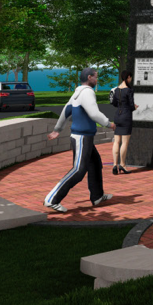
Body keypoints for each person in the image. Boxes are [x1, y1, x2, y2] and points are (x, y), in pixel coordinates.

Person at [44, 67, 116, 212]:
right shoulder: (88, 93)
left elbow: (66, 111)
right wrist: (109, 124)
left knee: (95, 164)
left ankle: (97, 196)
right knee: (79, 169)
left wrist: (57, 130)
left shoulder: (77, 93)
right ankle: (52, 199)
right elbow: (94, 113)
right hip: (82, 137)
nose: (97, 80)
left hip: (85, 136)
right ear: (89, 77)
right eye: (96, 77)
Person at [110, 71, 139, 175]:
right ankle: (122, 164)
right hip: (126, 116)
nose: (131, 79)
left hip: (117, 115)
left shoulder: (116, 90)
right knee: (125, 142)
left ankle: (114, 165)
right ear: (128, 77)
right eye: (130, 77)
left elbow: (113, 103)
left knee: (116, 141)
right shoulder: (129, 90)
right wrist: (134, 107)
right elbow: (131, 105)